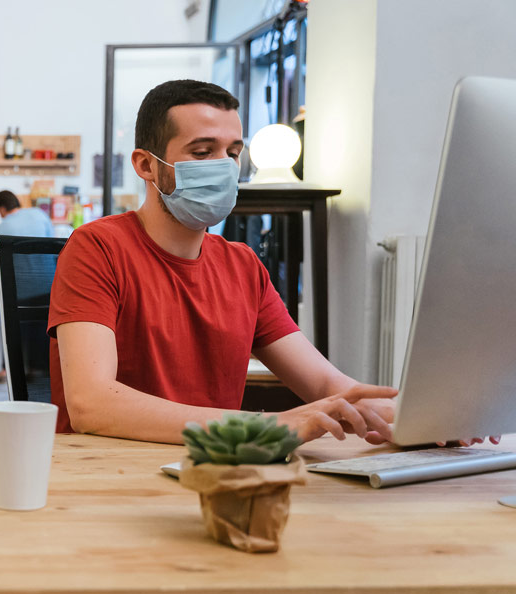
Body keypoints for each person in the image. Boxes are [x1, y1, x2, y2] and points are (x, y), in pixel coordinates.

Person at [49, 79, 447, 448]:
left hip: (219, 468)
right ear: (146, 165)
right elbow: (91, 403)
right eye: (203, 152)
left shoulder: (242, 266)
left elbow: (327, 384)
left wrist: (426, 421)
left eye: (233, 153)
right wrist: (266, 427)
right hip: (113, 471)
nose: (224, 166)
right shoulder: (97, 247)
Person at [0, 190, 55, 382]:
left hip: (20, 287)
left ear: (1, 209)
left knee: (13, 329)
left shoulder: (1, 227)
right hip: (48, 283)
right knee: (42, 327)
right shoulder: (40, 215)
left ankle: (8, 370)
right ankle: (39, 370)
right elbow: (52, 243)